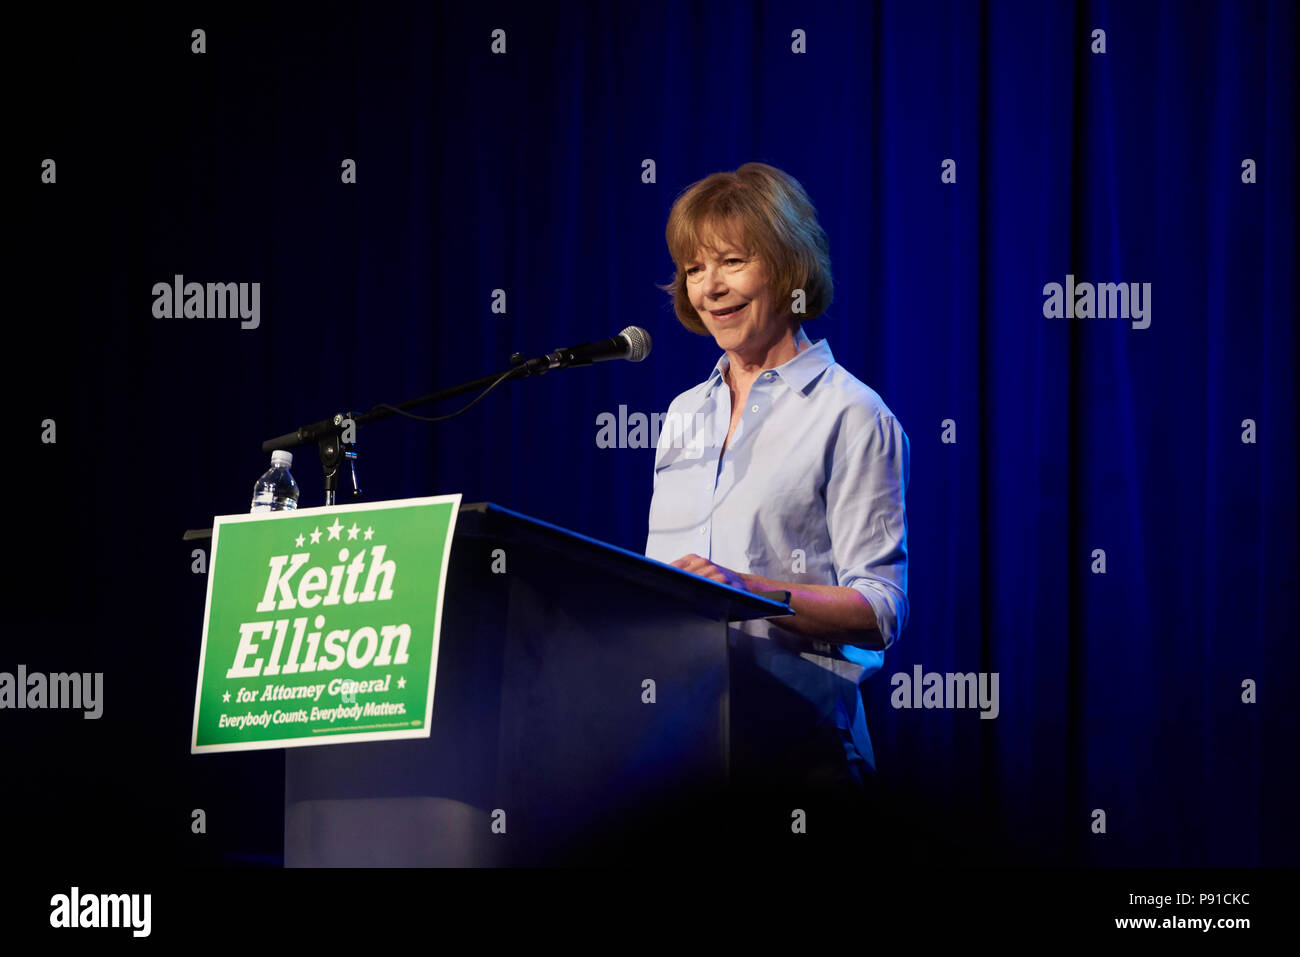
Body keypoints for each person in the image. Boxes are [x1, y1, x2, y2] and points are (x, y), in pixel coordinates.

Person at [645, 162, 910, 856]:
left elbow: (881, 608)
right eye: (695, 266)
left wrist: (749, 592)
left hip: (800, 761)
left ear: (790, 269)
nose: (711, 285)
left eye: (733, 261)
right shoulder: (681, 415)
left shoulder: (852, 414)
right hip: (674, 761)